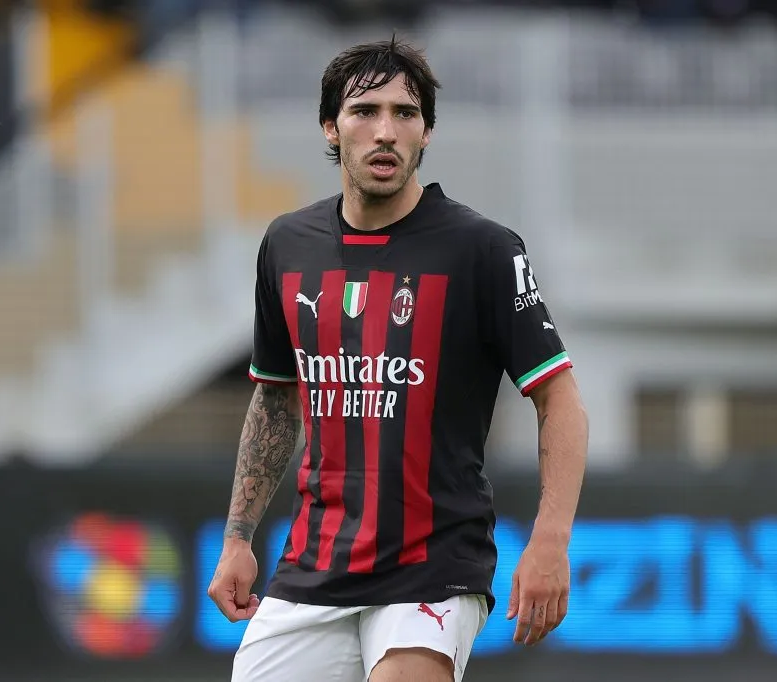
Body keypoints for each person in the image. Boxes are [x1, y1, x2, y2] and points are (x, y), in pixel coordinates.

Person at [207, 36, 589, 682]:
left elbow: (561, 399)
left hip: (432, 567)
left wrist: (551, 539)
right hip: (313, 568)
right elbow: (276, 397)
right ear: (331, 126)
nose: (385, 131)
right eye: (365, 111)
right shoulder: (286, 246)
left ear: (426, 133)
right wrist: (238, 537)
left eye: (405, 113)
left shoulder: (484, 251)